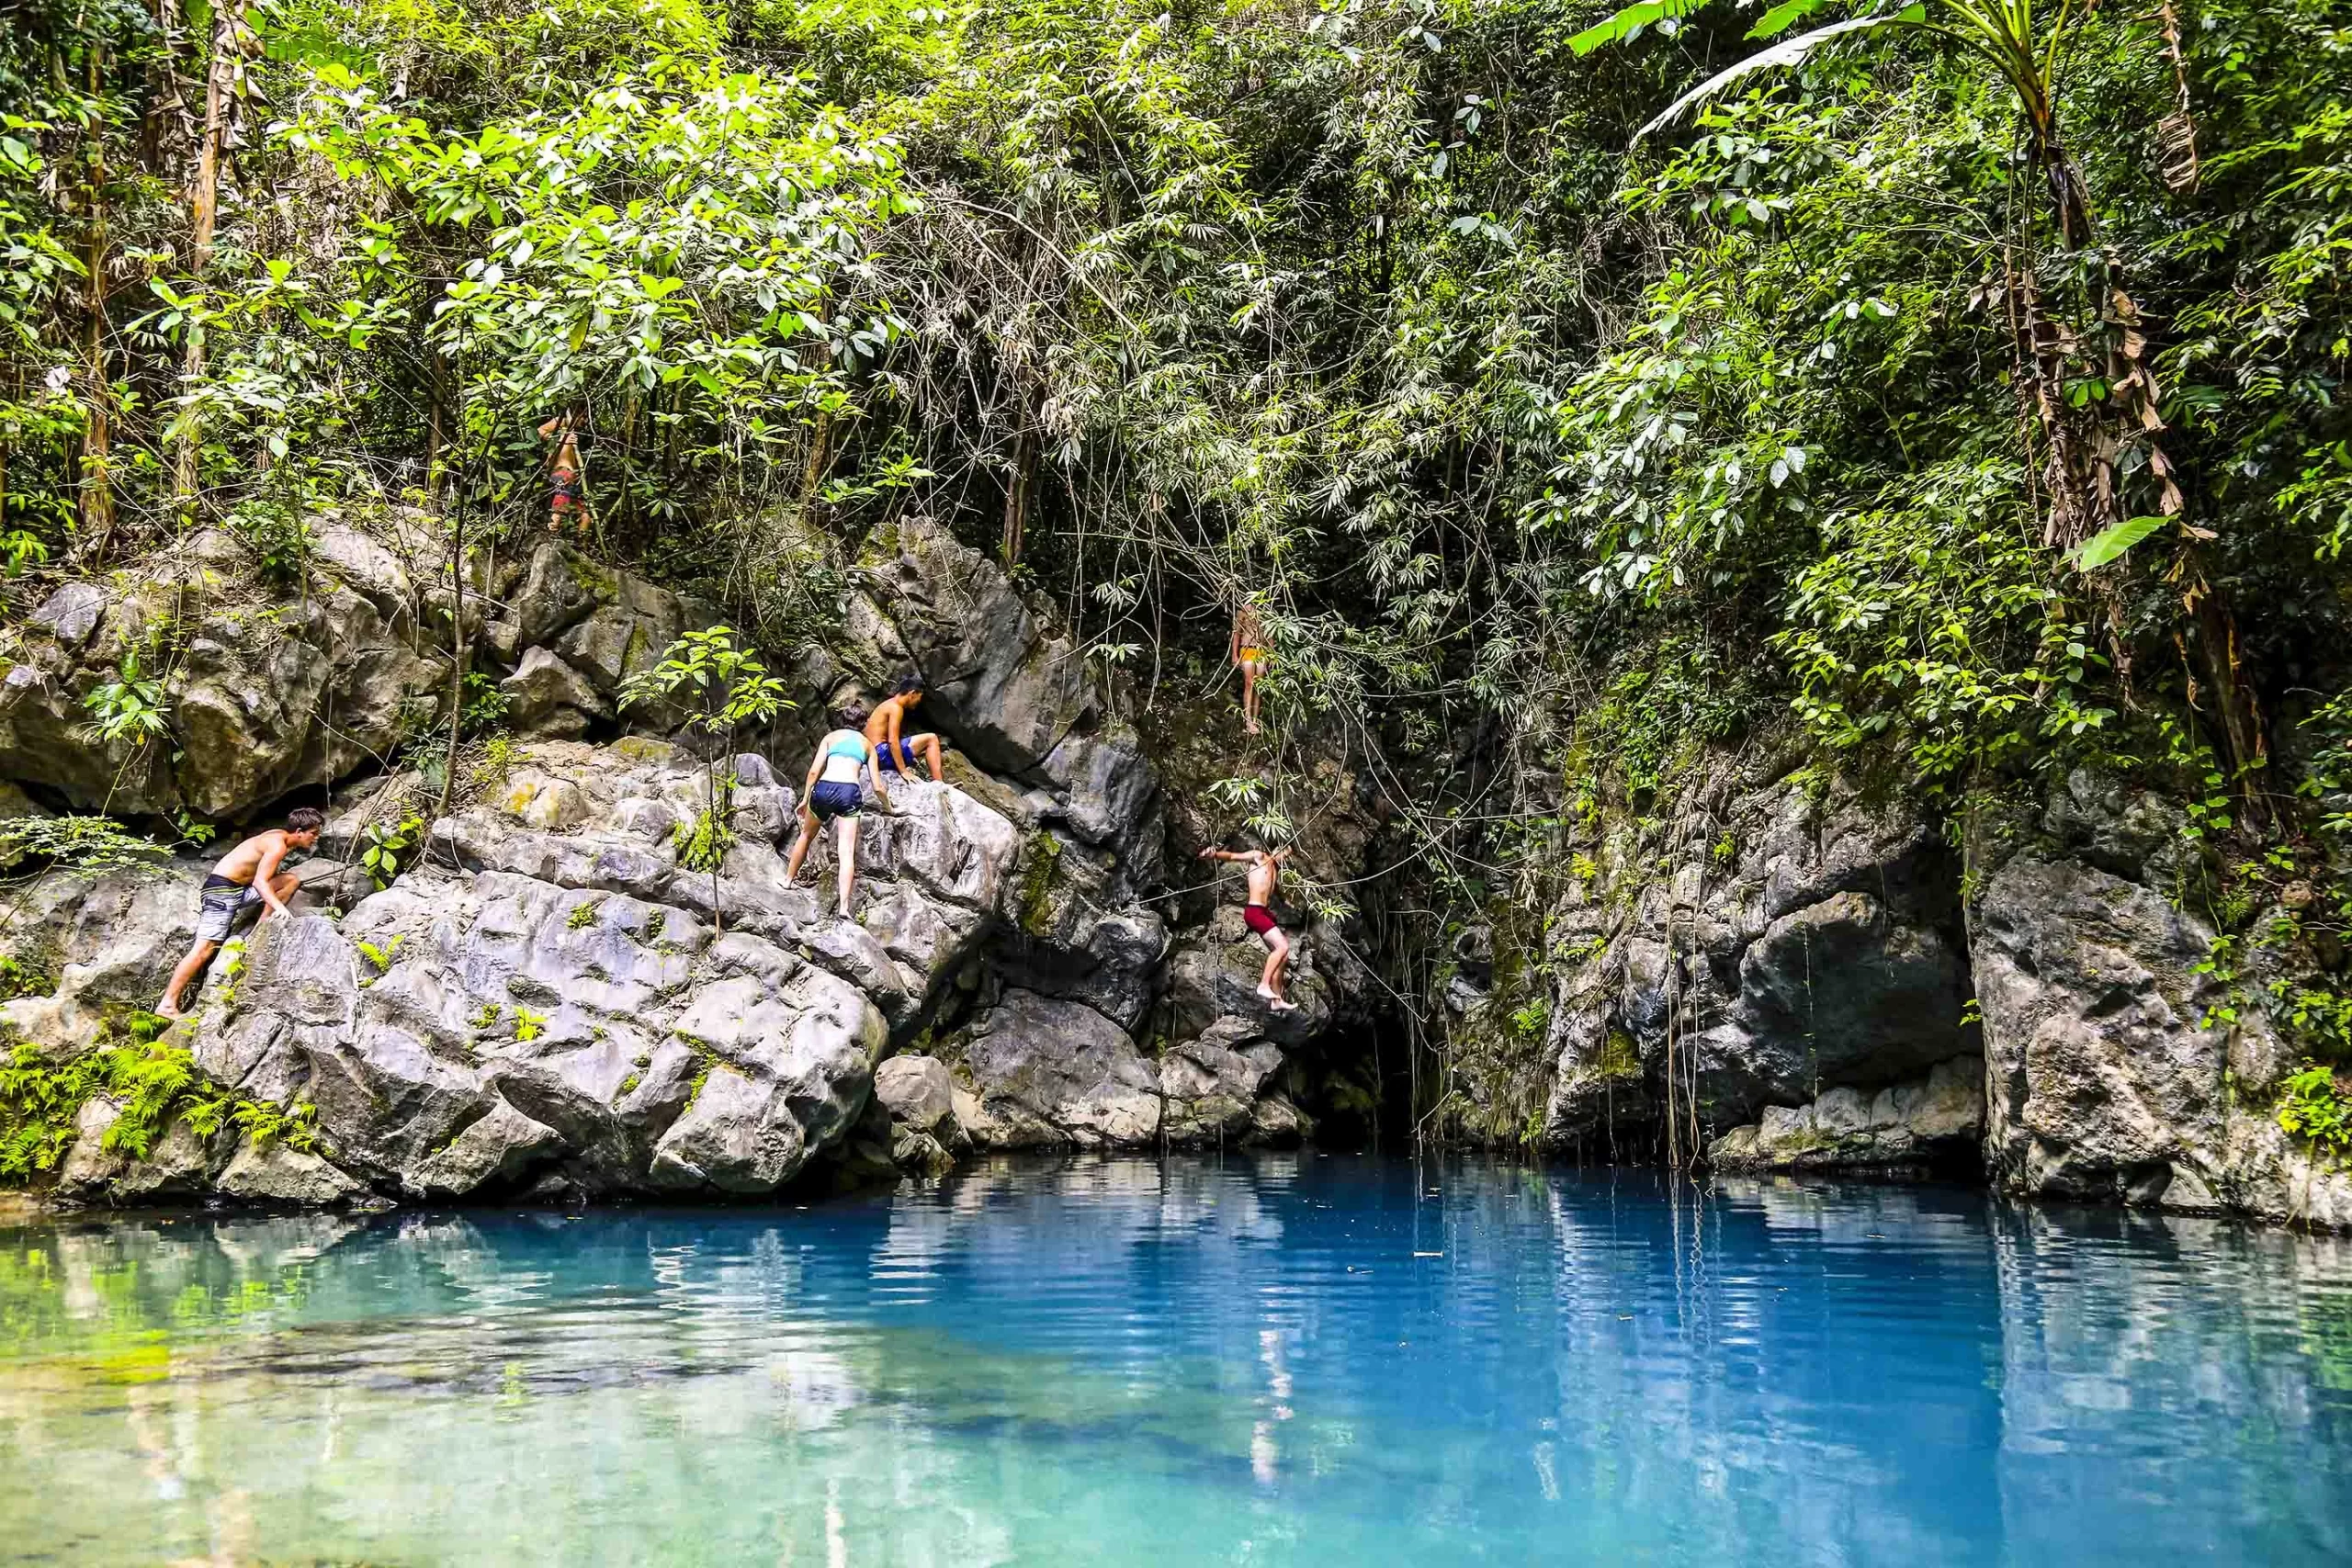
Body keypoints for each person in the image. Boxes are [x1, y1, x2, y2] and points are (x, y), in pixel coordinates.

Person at [155, 807, 323, 1018]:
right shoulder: (276, 845)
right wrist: (280, 909)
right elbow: (260, 882)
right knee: (204, 949)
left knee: (290, 880)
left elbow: (265, 876)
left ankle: (259, 930)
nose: (316, 838)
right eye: (313, 833)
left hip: (238, 891)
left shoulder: (281, 839)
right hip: (219, 892)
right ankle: (167, 1004)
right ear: (299, 831)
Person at [786, 705, 892, 919]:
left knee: (806, 835)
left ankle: (787, 880)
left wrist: (805, 799)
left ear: (842, 720)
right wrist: (890, 808)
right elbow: (878, 786)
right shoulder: (867, 745)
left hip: (824, 788)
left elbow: (814, 770)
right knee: (846, 851)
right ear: (863, 724)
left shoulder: (830, 738)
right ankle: (843, 908)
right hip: (848, 793)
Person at [1197, 840, 1298, 1011]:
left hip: (1265, 913)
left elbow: (1276, 891)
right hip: (1254, 911)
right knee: (1282, 946)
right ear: (1277, 850)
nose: (1284, 859)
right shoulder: (1259, 857)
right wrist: (1213, 855)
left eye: (1286, 857)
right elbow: (1232, 856)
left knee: (1282, 957)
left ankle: (1276, 999)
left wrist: (1286, 901)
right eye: (1283, 854)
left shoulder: (1274, 870)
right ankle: (1264, 985)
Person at [865, 675, 946, 784]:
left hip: (873, 755)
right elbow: (892, 740)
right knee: (931, 738)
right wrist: (903, 771)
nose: (919, 701)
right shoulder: (896, 708)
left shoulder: (888, 704)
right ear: (912, 694)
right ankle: (940, 785)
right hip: (882, 754)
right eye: (919, 696)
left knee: (924, 748)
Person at [537, 408, 591, 535]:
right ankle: (550, 535)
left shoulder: (574, 434)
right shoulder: (562, 423)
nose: (585, 421)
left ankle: (582, 547)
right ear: (576, 415)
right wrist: (562, 440)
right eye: (583, 417)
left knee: (585, 517)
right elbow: (541, 430)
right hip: (562, 473)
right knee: (558, 511)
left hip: (571, 478)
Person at [1230, 595, 1268, 735]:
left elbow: (1270, 634)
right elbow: (1236, 634)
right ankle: (1248, 720)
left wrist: (1273, 655)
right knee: (1249, 683)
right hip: (1247, 649)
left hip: (1261, 651)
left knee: (1259, 686)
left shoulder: (1264, 613)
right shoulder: (1242, 613)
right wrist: (1235, 655)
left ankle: (1256, 720)